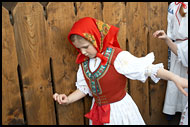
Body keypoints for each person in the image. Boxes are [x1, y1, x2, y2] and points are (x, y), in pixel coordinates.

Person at [53, 17, 188, 125]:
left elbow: (147, 69)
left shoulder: (117, 57)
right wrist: (68, 99)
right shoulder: (85, 63)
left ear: (96, 39)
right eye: (79, 49)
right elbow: (85, 88)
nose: (83, 52)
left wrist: (175, 78)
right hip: (98, 112)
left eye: (86, 47)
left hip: (120, 111)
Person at [155, 2, 188, 120]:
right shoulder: (173, 5)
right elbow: (171, 28)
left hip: (184, 46)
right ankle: (174, 110)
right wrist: (169, 39)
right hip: (176, 44)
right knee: (175, 80)